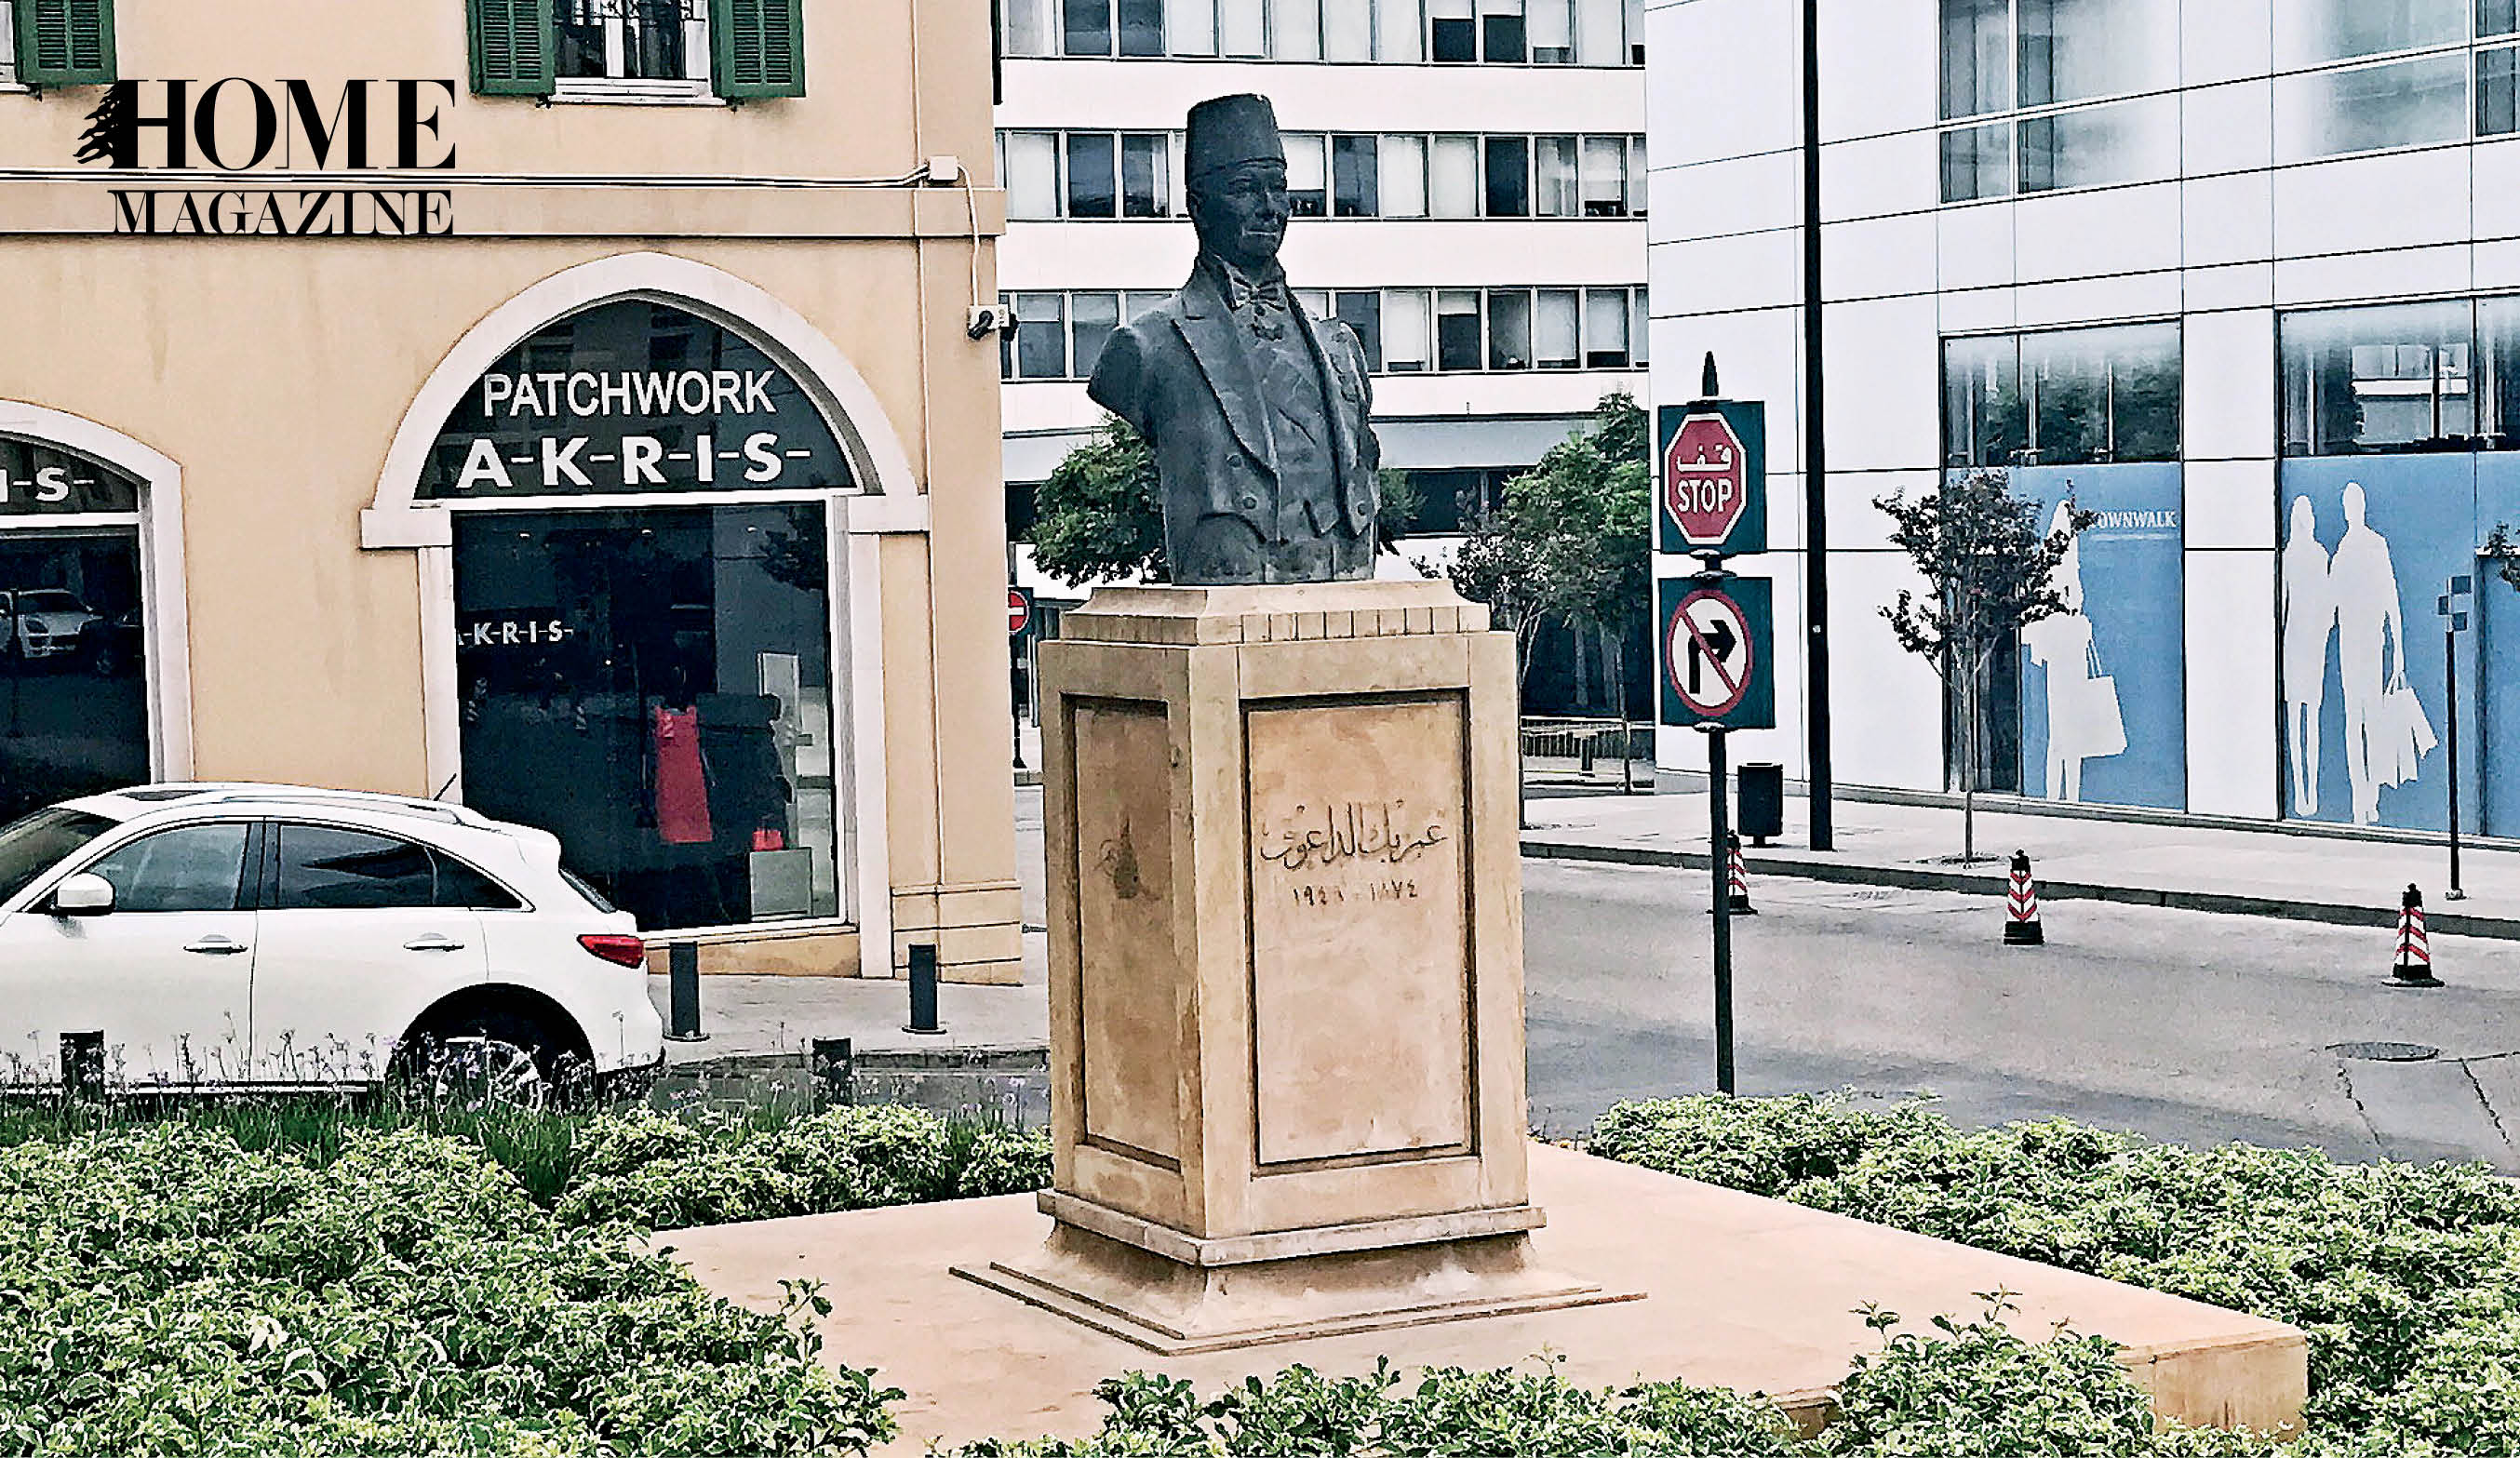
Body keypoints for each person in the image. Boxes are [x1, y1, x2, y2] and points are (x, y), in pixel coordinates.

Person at [1086, 93, 1380, 584]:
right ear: (1197, 207)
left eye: (1277, 188)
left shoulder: (1341, 347)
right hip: (1227, 591)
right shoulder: (1147, 346)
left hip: (1345, 589)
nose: (1269, 208)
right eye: (1246, 189)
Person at [2329, 482, 2422, 826]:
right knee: (2358, 722)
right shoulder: (2346, 550)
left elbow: (2391, 599)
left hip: (2367, 643)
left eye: (2354, 504)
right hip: (2357, 644)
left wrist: (2399, 650)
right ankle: (2362, 799)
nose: (2352, 510)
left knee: (2366, 722)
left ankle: (2369, 798)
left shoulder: (2367, 547)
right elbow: (2333, 604)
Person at [2018, 501, 2122, 802]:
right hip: (2065, 665)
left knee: (2067, 735)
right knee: (2063, 735)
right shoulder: (2056, 583)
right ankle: (2058, 797)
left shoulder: (2065, 579)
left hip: (2070, 664)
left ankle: (2067, 797)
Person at [2279, 496, 2335, 815]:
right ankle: (2309, 792)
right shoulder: (2318, 555)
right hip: (2312, 641)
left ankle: (2300, 792)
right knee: (2310, 716)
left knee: (2296, 717)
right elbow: (2327, 605)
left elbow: (2283, 606)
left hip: (2296, 640)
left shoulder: (2291, 555)